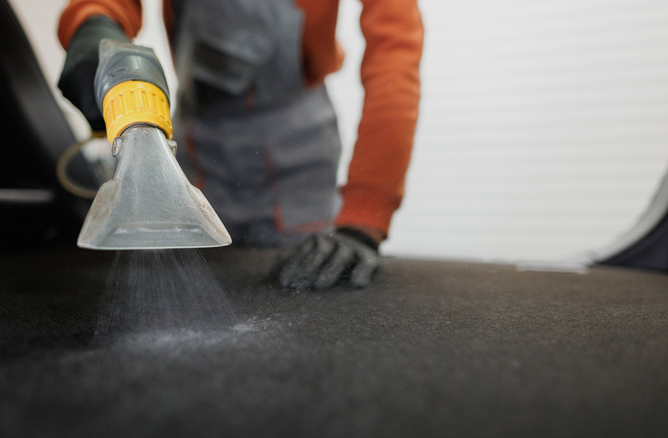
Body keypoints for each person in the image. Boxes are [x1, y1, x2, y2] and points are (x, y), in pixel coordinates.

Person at [57, 0, 423, 290]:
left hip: (297, 155)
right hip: (197, 150)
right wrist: (93, 21)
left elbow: (394, 52)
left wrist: (366, 212)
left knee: (310, 296)